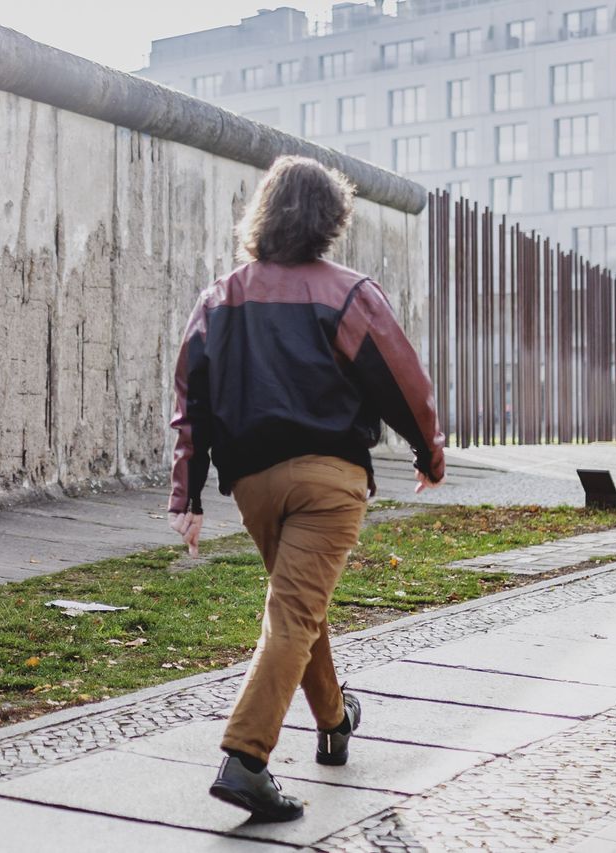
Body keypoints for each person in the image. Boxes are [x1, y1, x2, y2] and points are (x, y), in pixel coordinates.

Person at [167, 155, 445, 822]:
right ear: (329, 219)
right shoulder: (348, 293)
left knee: (299, 604)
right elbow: (402, 379)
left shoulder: (219, 298)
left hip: (254, 484)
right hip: (329, 480)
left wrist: (190, 493)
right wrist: (427, 450)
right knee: (293, 613)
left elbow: (191, 399)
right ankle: (245, 758)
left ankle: (334, 719)